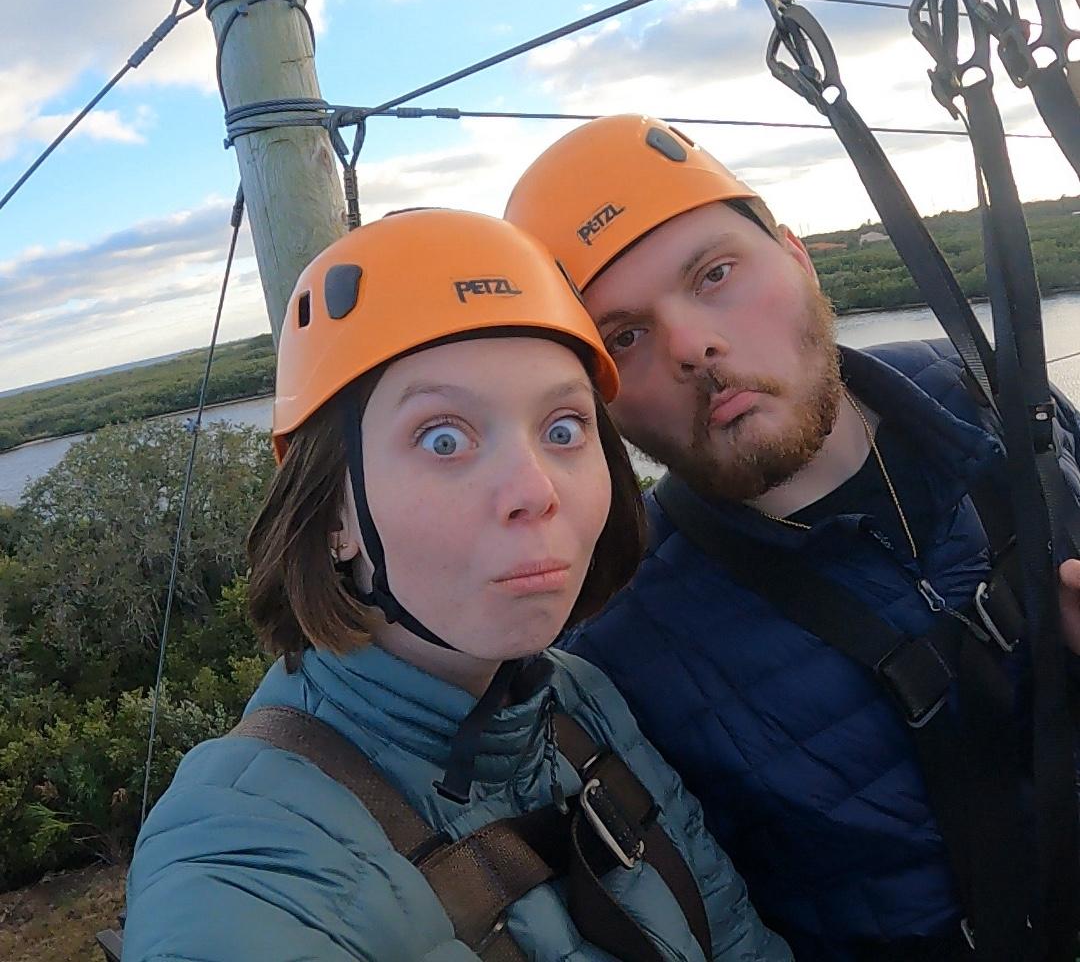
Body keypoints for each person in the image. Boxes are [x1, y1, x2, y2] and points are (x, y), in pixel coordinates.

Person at [121, 209, 790, 962]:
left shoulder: (576, 701)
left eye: (564, 428)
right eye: (444, 438)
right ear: (331, 515)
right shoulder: (246, 851)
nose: (535, 490)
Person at [505, 115, 1080, 961]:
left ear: (798, 254)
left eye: (715, 274)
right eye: (624, 336)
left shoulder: (996, 397)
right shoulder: (620, 646)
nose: (693, 344)